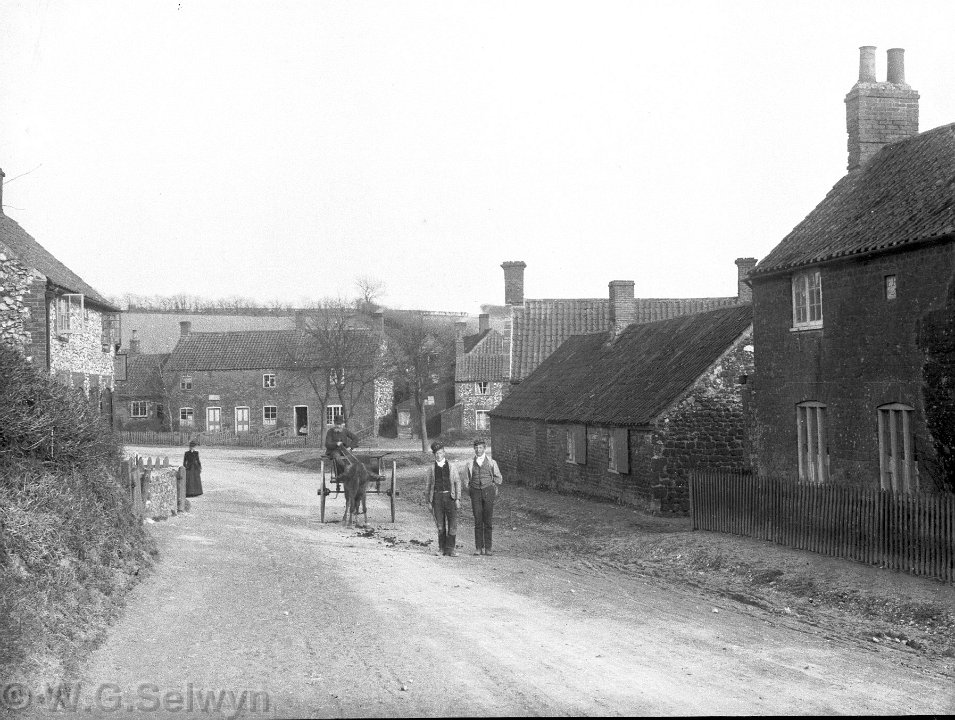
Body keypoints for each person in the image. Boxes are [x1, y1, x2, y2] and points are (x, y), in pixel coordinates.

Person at [464, 438, 503, 556]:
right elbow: (466, 480)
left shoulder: (492, 462)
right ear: (474, 449)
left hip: (488, 492)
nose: (478, 449)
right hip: (475, 492)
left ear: (484, 448)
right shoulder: (470, 463)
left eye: (480, 447)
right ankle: (478, 548)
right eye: (476, 447)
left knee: (488, 520)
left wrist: (491, 486)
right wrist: (471, 489)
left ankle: (488, 548)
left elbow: (498, 477)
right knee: (477, 520)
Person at [424, 441, 461, 557]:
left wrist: (458, 499)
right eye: (436, 454)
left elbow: (457, 482)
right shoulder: (431, 468)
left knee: (452, 524)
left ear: (444, 453)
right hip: (437, 498)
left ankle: (451, 549)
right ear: (434, 455)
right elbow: (428, 485)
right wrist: (428, 501)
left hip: (450, 497)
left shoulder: (451, 466)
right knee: (440, 525)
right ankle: (441, 548)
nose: (438, 455)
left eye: (440, 453)